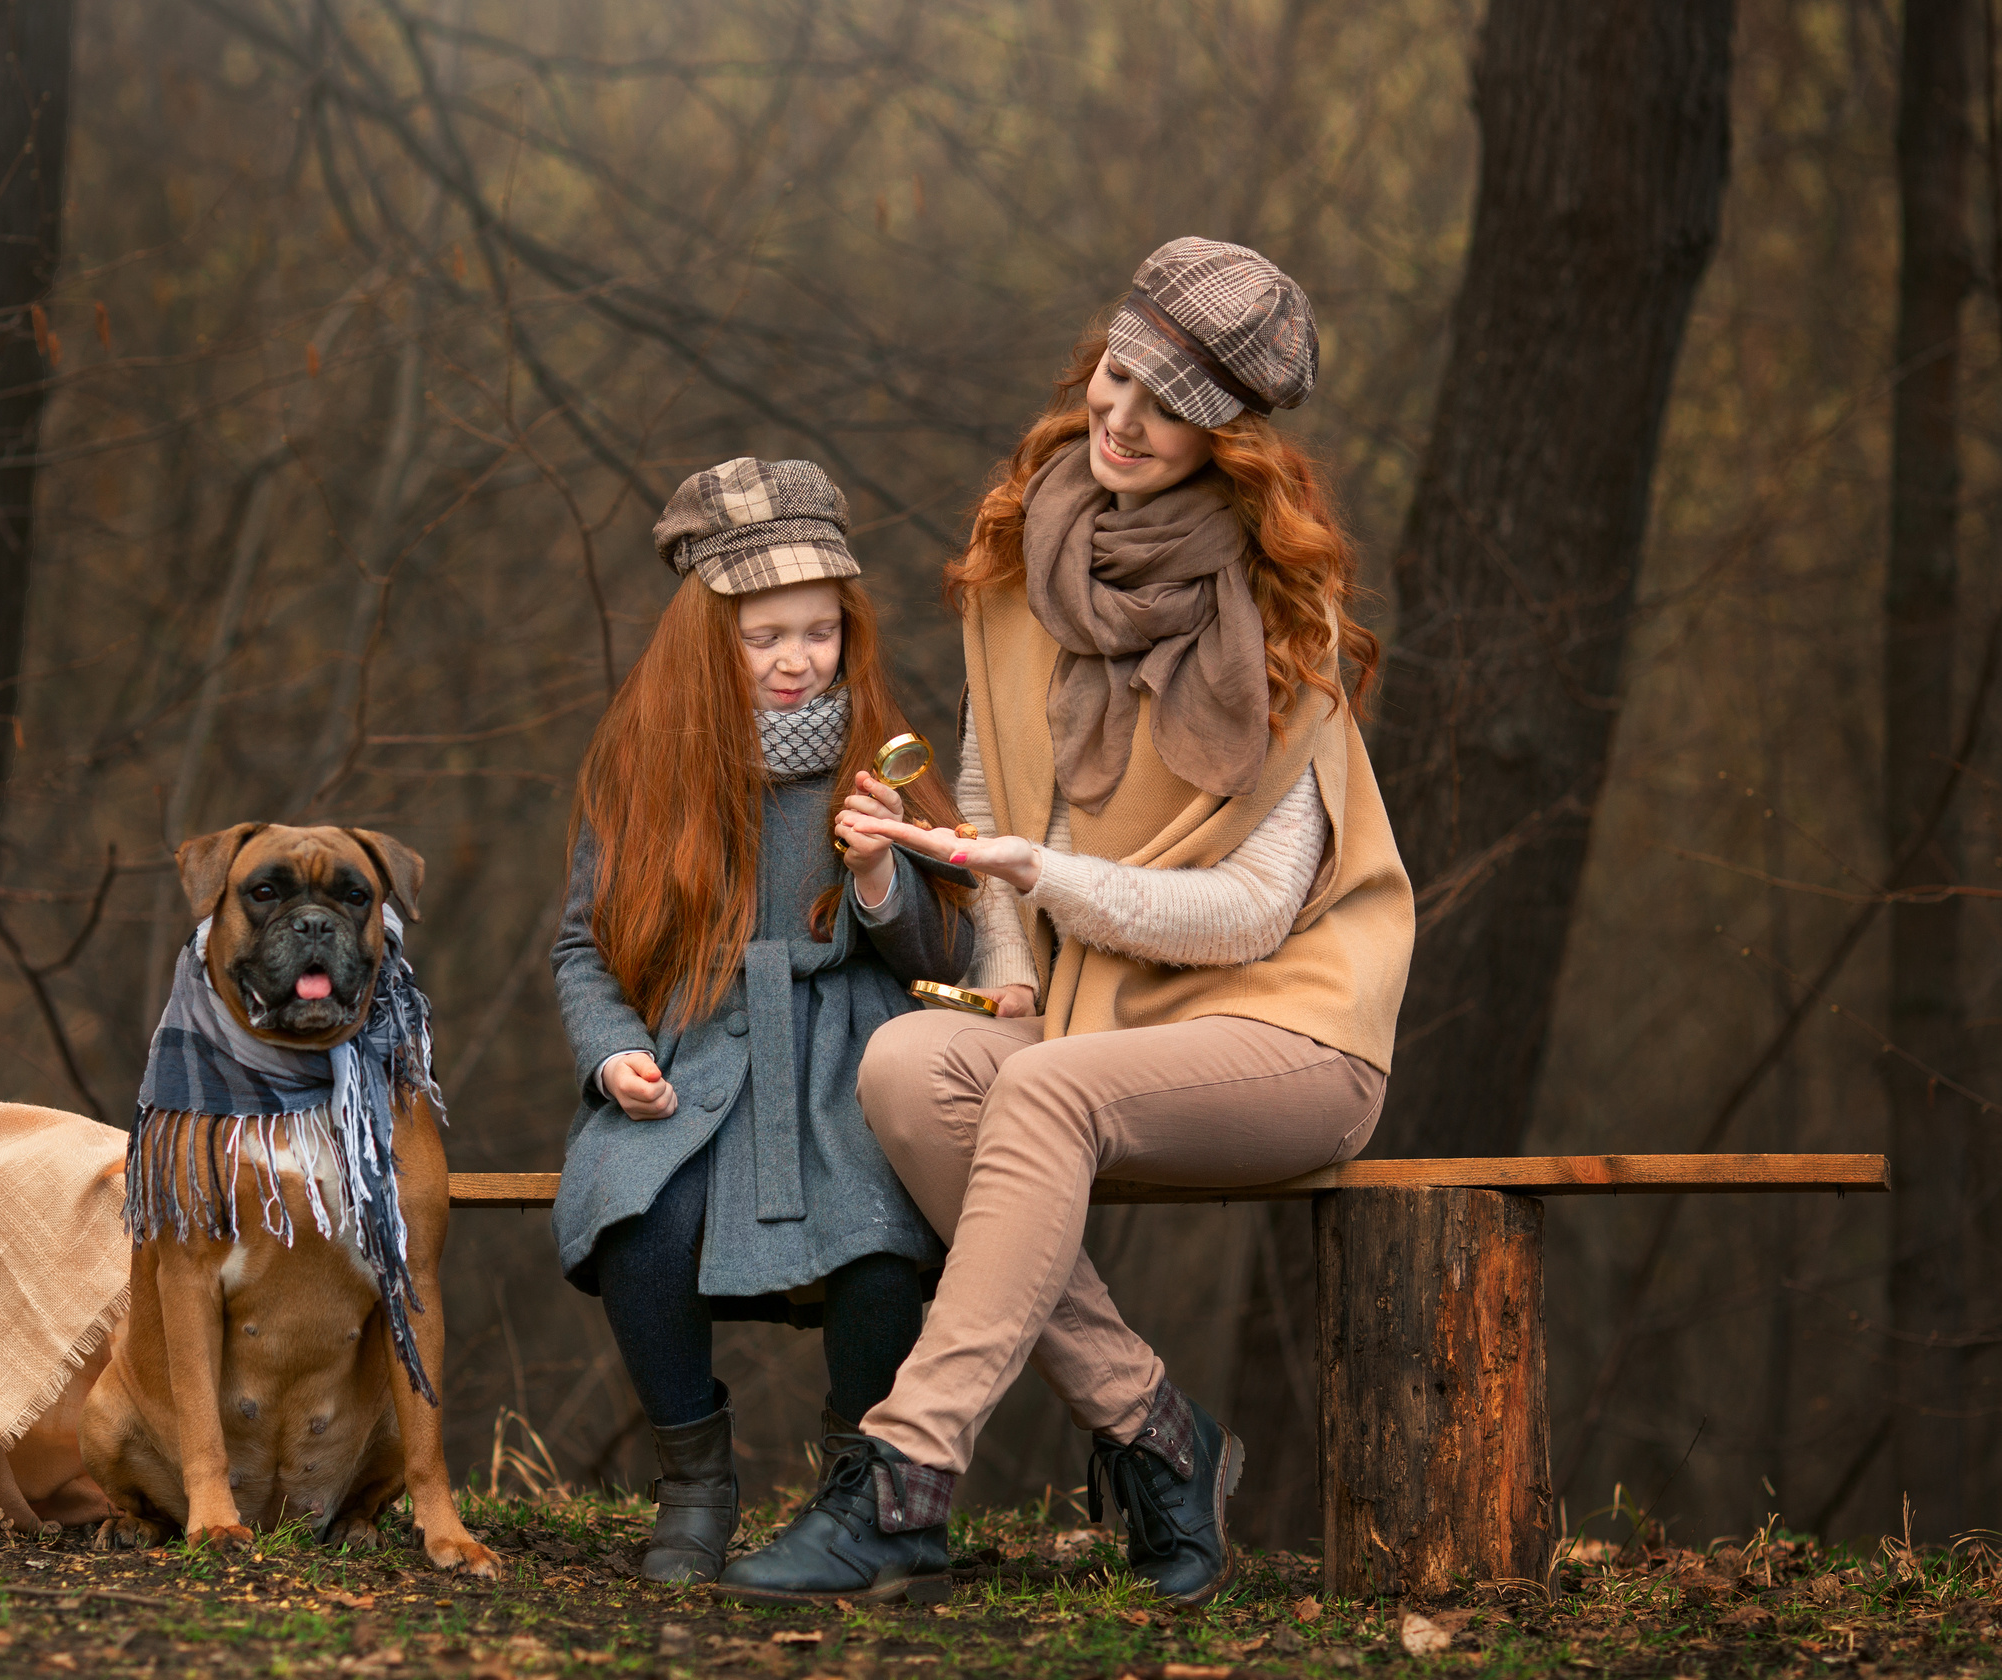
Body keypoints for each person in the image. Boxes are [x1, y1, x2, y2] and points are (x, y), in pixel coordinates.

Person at [718, 240, 1414, 1607]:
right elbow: (986, 799)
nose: (1124, 418)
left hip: (1292, 1032)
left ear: (1229, 439)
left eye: (1171, 403)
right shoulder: (1014, 572)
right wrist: (1009, 972)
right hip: (1086, 1032)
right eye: (1117, 373)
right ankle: (1157, 1430)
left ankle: (908, 1474)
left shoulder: (1285, 622)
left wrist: (1040, 874)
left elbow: (1249, 912)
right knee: (908, 1069)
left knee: (1038, 1097)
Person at [550, 457, 973, 1584]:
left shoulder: (883, 757)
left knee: (878, 1239)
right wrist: (613, 1056)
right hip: (696, 1050)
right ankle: (693, 1478)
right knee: (638, 1216)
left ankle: (865, 1486)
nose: (796, 661)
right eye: (764, 636)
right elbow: (582, 945)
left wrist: (883, 882)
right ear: (707, 643)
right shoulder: (647, 768)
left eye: (819, 633)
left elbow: (952, 958)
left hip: (850, 1054)